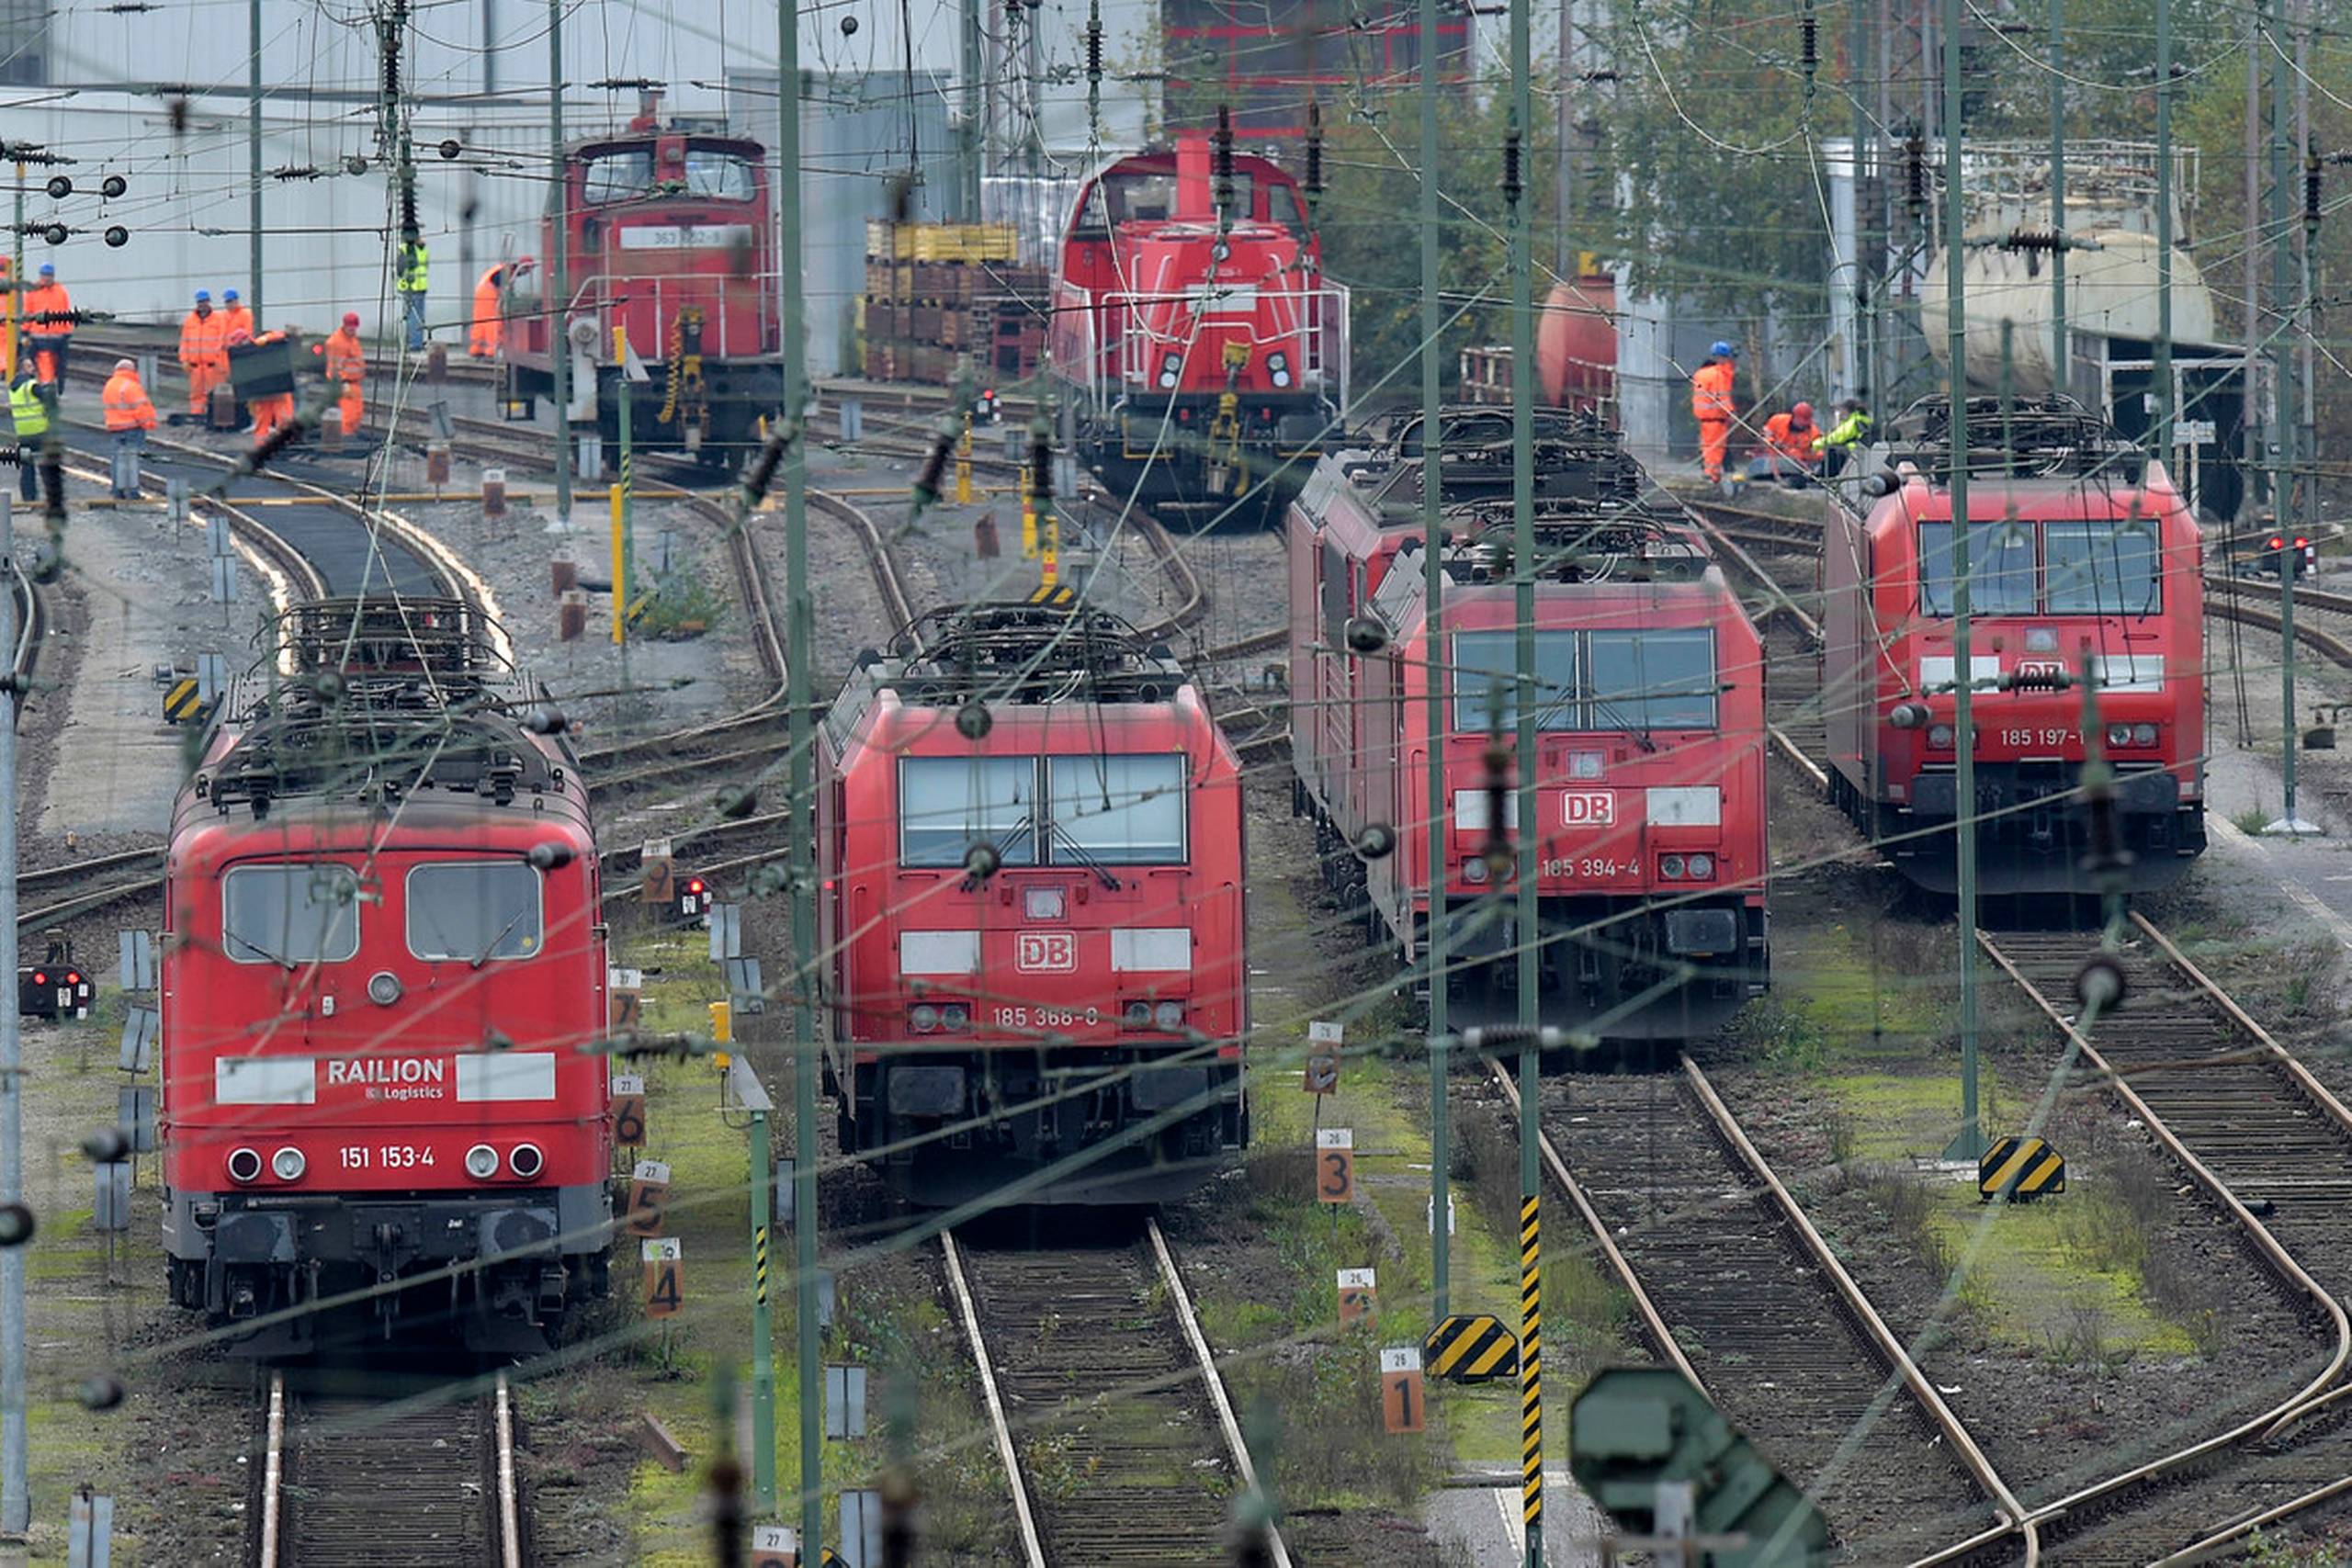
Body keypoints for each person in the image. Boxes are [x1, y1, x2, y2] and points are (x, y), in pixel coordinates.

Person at [100, 356, 155, 500]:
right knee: (132, 460)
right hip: (132, 428)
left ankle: (117, 491)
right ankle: (132, 492)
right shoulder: (131, 386)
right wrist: (148, 424)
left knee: (117, 460)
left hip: (115, 427)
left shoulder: (110, 384)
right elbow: (141, 410)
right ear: (132, 370)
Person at [1690, 341, 1738, 485]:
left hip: (1704, 418)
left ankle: (1709, 473)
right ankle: (1712, 475)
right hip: (1716, 418)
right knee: (1716, 449)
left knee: (1708, 447)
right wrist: (1731, 413)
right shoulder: (1718, 375)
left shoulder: (1701, 373)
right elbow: (1722, 397)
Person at [177, 289, 228, 423]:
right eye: (200, 302)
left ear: (208, 302)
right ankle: (196, 418)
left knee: (217, 394)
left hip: (213, 366)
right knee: (196, 396)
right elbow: (184, 342)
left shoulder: (219, 319)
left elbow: (222, 341)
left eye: (204, 301)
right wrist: (184, 360)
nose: (202, 304)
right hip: (195, 367)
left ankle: (218, 420)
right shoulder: (190, 320)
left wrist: (220, 361)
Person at [243, 329, 296, 450]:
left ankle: (282, 446)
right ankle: (263, 447)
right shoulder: (244, 355)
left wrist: (267, 338)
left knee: (283, 420)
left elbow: (281, 334)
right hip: (268, 391)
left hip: (277, 389)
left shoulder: (264, 344)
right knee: (264, 421)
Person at [314, 311, 367, 436]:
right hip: (344, 384)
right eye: (351, 327)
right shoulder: (336, 342)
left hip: (354, 383)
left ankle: (349, 436)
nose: (353, 330)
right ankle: (344, 439)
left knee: (357, 414)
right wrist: (343, 383)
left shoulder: (352, 339)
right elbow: (334, 367)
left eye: (355, 327)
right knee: (348, 416)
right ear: (345, 326)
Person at [1750, 400, 1823, 486]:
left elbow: (1819, 455)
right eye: (1801, 420)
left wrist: (1800, 454)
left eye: (1806, 421)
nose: (1803, 425)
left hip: (1797, 465)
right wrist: (1772, 441)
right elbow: (1764, 435)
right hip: (1771, 459)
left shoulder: (1814, 433)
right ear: (1794, 416)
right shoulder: (1777, 420)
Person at [24, 264, 72, 387]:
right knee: (45, 363)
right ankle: (47, 386)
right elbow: (28, 312)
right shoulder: (33, 292)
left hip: (58, 336)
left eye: (49, 276)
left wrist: (67, 331)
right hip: (39, 336)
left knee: (58, 365)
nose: (46, 278)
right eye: (44, 275)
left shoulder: (61, 292)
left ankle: (52, 385)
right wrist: (25, 330)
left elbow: (65, 312)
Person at [7, 367, 46, 503]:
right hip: (39, 431)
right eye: (30, 366)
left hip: (23, 433)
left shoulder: (13, 388)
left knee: (27, 466)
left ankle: (29, 497)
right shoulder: (32, 385)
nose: (34, 368)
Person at [1813, 397, 1874, 473]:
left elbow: (1836, 437)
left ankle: (1823, 476)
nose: (1840, 413)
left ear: (1846, 410)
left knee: (1833, 452)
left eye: (1841, 410)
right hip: (1861, 452)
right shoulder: (1863, 420)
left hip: (1850, 453)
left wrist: (1815, 444)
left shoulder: (1851, 423)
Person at [397, 227, 430, 351]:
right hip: (418, 287)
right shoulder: (422, 249)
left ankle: (414, 343)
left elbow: (400, 270)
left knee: (413, 317)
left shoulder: (405, 249)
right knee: (417, 317)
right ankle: (416, 342)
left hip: (413, 288)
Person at [469, 262, 506, 357]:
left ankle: (477, 349)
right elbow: (497, 282)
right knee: (492, 320)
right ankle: (491, 350)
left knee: (480, 320)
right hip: (489, 294)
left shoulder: (498, 268)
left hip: (481, 293)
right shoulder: (506, 271)